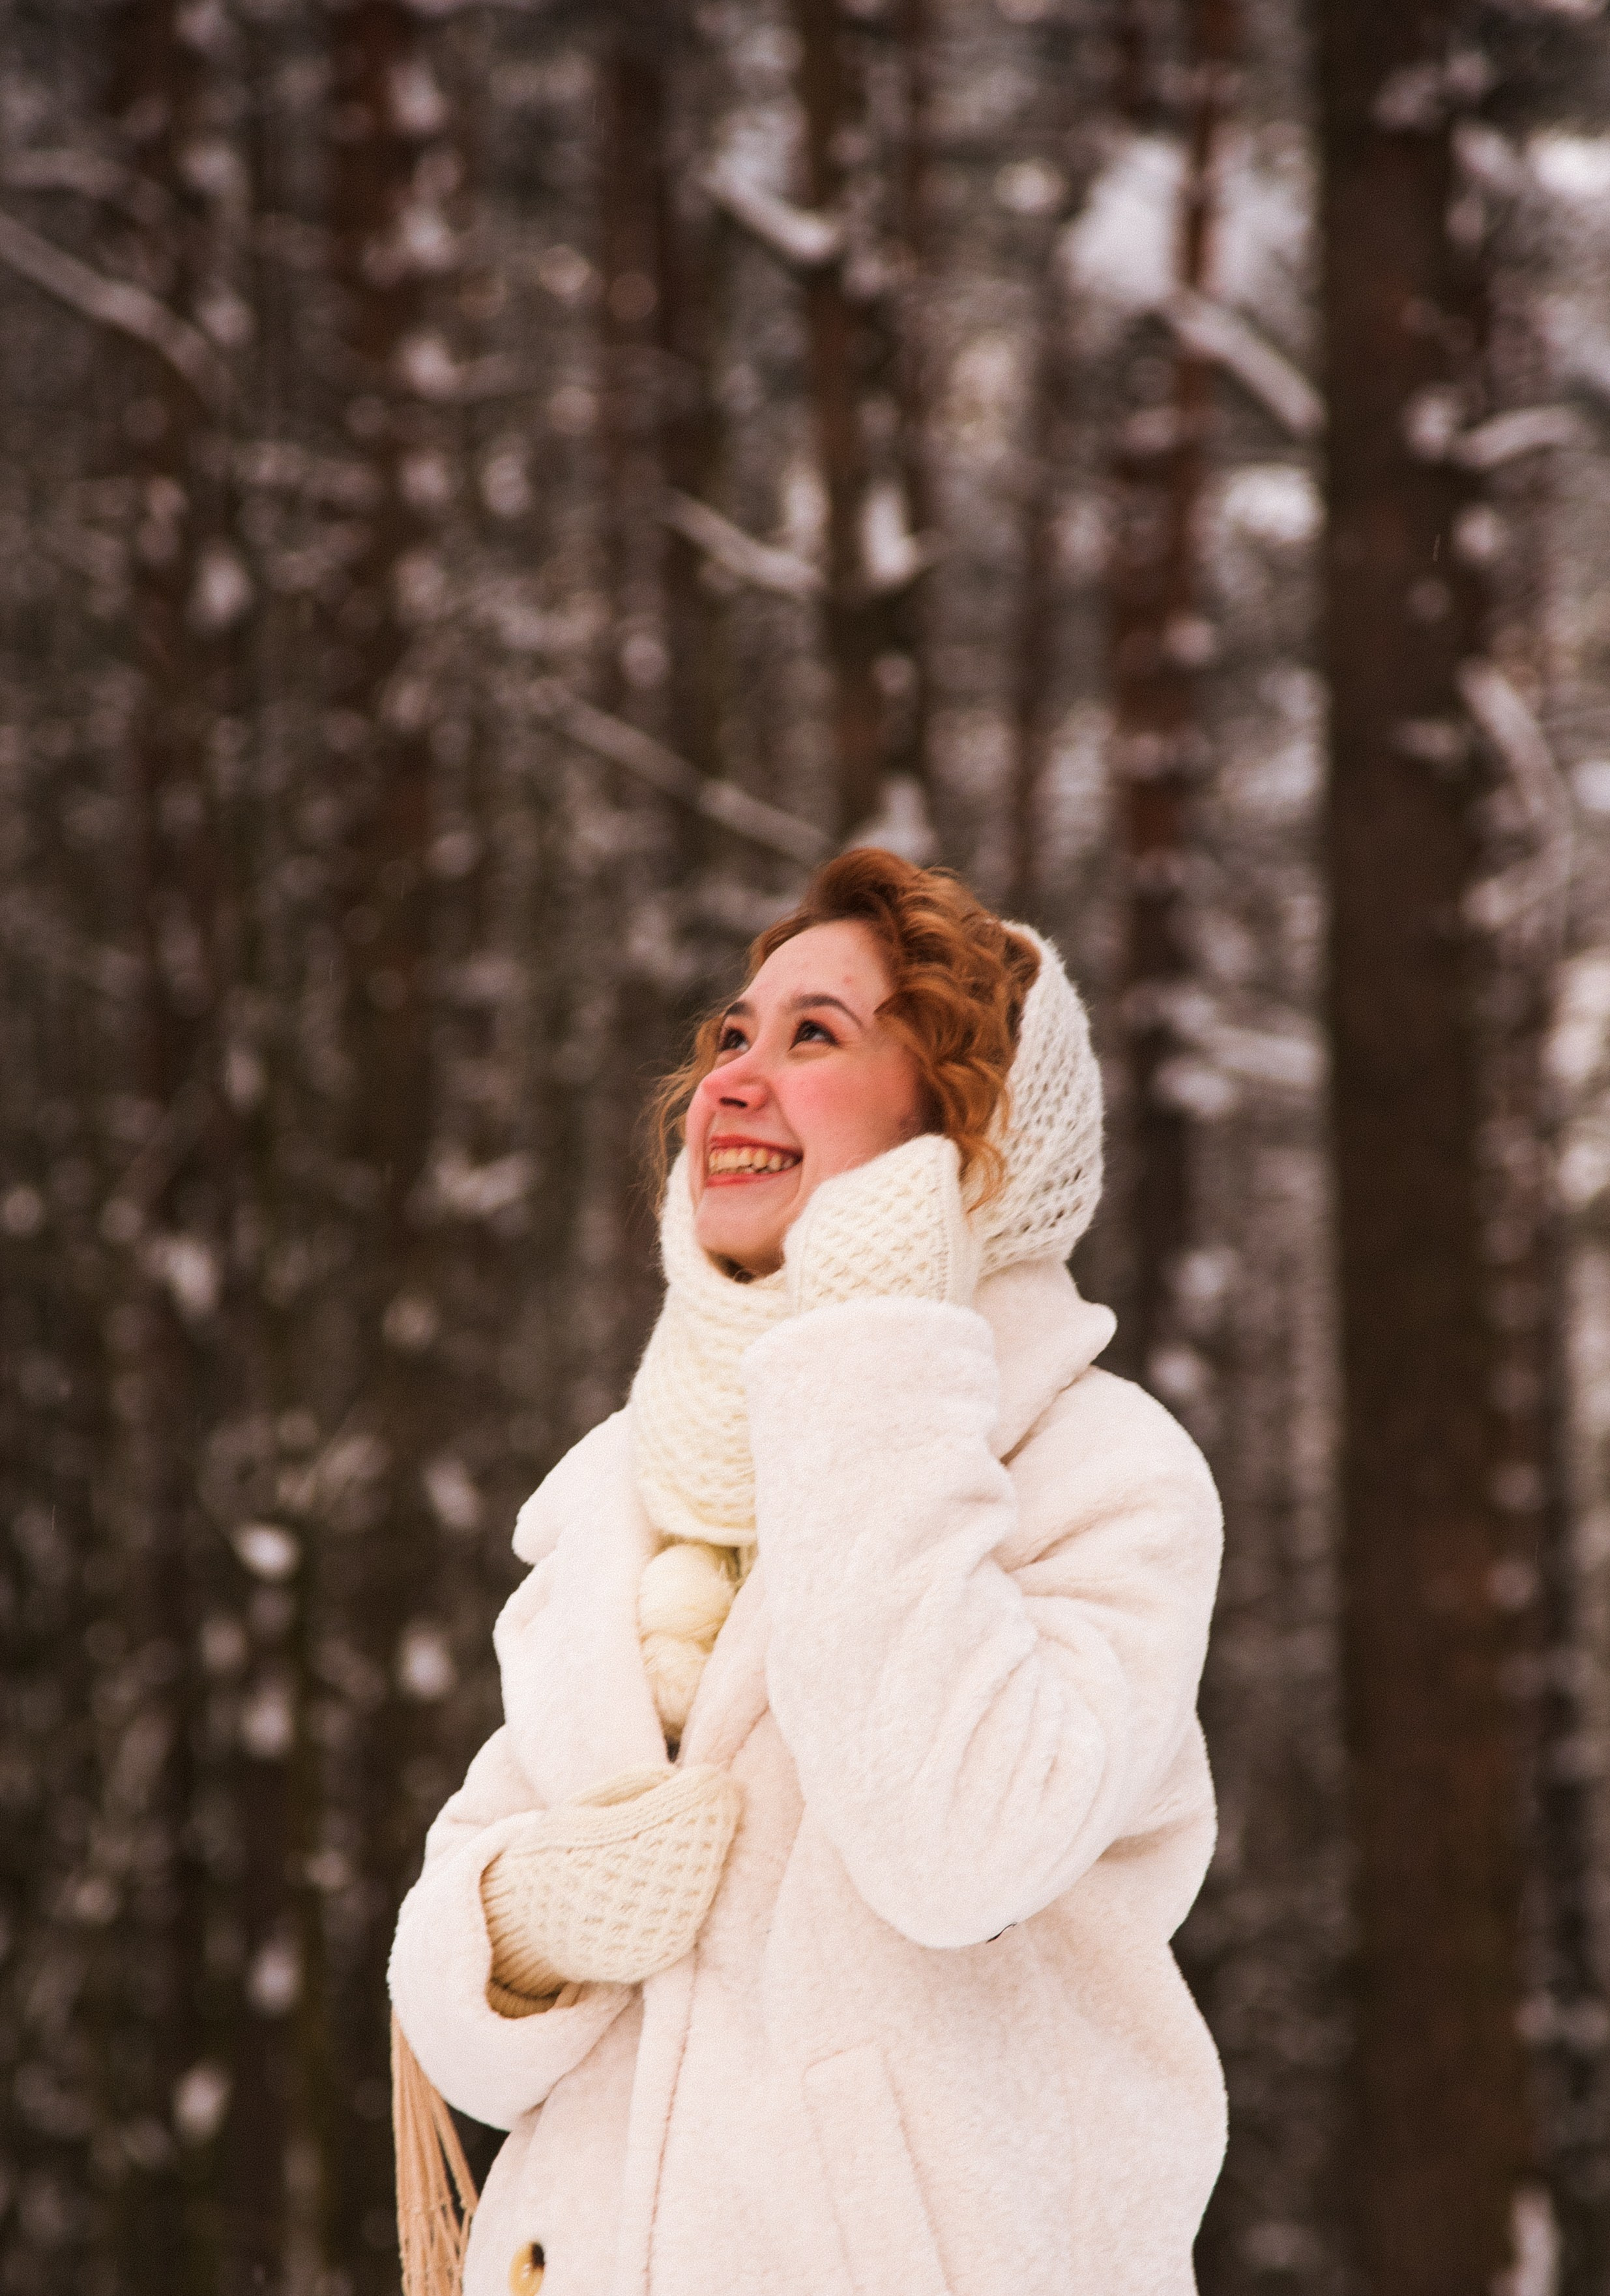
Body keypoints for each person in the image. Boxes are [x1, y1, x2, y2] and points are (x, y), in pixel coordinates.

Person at [388, 849, 1226, 2296]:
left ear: (967, 1128)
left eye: (813, 1034)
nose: (728, 1078)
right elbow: (445, 2012)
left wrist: (869, 1339)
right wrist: (520, 1926)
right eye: (731, 1033)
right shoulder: (619, 1487)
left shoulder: (1103, 1473)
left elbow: (957, 1842)